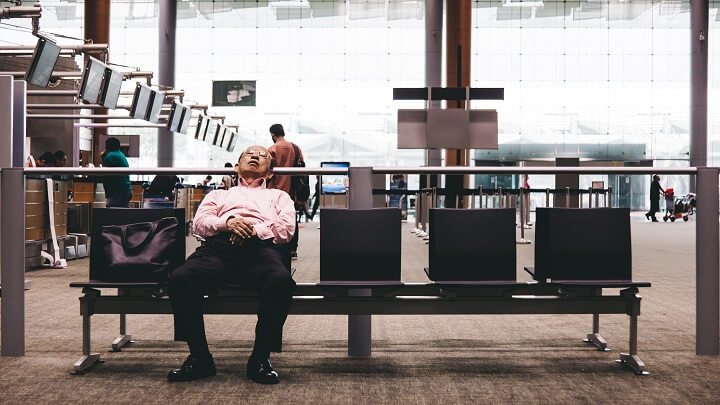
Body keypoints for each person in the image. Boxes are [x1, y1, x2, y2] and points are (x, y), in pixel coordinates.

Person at [167, 145, 296, 384]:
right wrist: (229, 223)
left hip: (261, 250)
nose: (256, 156)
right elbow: (200, 224)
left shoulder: (279, 197)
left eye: (263, 156)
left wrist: (252, 230)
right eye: (250, 154)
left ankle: (260, 358)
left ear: (269, 174)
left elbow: (286, 230)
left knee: (281, 282)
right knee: (179, 279)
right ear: (236, 167)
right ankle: (200, 357)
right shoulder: (218, 195)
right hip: (218, 249)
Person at [267, 123, 304, 258]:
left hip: (274, 191)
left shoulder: (272, 149)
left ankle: (278, 246)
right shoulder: (296, 148)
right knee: (291, 218)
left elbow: (266, 170)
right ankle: (292, 249)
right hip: (292, 192)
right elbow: (302, 169)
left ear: (273, 134)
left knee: (275, 219)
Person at [101, 137, 132, 208]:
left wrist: (103, 157)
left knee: (112, 214)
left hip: (117, 192)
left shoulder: (110, 156)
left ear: (108, 146)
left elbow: (103, 172)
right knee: (120, 214)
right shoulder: (121, 154)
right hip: (125, 190)